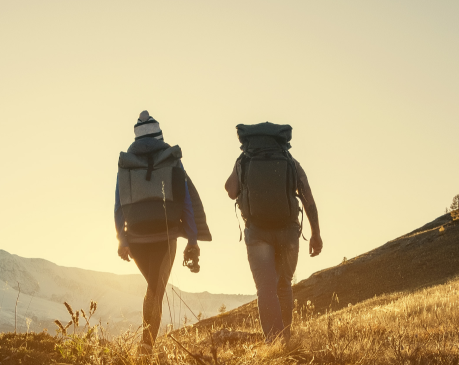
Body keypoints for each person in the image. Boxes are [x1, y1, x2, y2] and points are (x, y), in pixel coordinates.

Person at [115, 111, 210, 349]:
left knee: (153, 288)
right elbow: (185, 201)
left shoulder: (127, 164)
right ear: (159, 134)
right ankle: (146, 347)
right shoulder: (171, 160)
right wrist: (193, 238)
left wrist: (122, 239)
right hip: (165, 235)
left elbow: (119, 204)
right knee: (156, 289)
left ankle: (146, 345)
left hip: (135, 238)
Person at [224, 122, 321, 343]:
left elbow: (231, 191)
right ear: (282, 140)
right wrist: (316, 234)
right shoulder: (289, 161)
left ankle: (273, 342)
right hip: (288, 231)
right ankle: (285, 338)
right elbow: (309, 200)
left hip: (257, 232)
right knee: (284, 284)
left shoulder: (244, 160)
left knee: (265, 288)